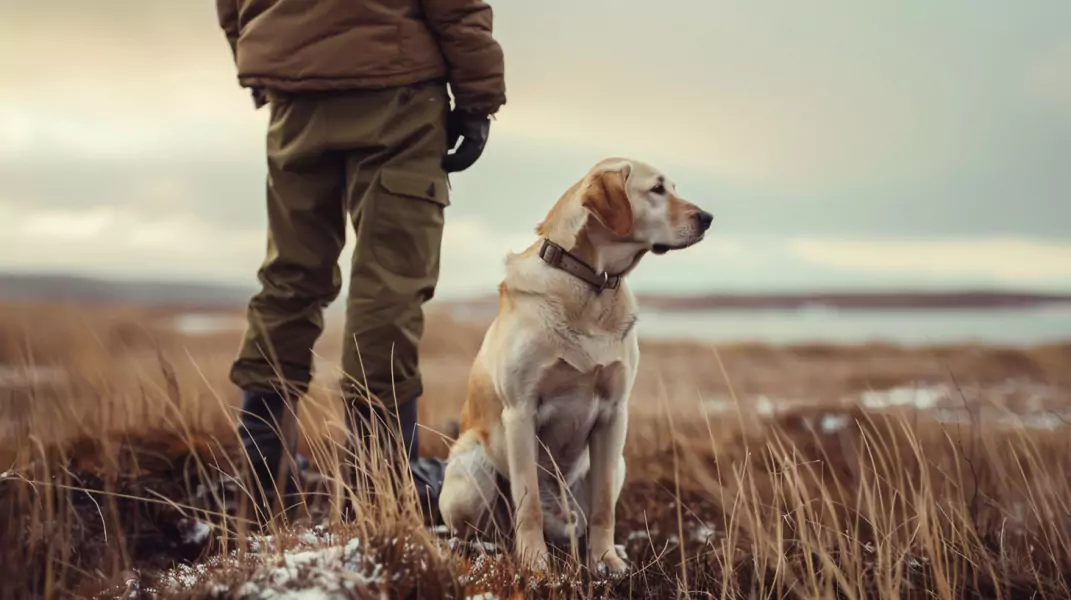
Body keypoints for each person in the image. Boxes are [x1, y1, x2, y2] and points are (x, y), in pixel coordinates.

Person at [214, 0, 506, 524]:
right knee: (386, 290)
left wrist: (258, 51)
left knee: (289, 282)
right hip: (395, 88)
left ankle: (261, 486)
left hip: (293, 87)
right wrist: (477, 97)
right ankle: (380, 495)